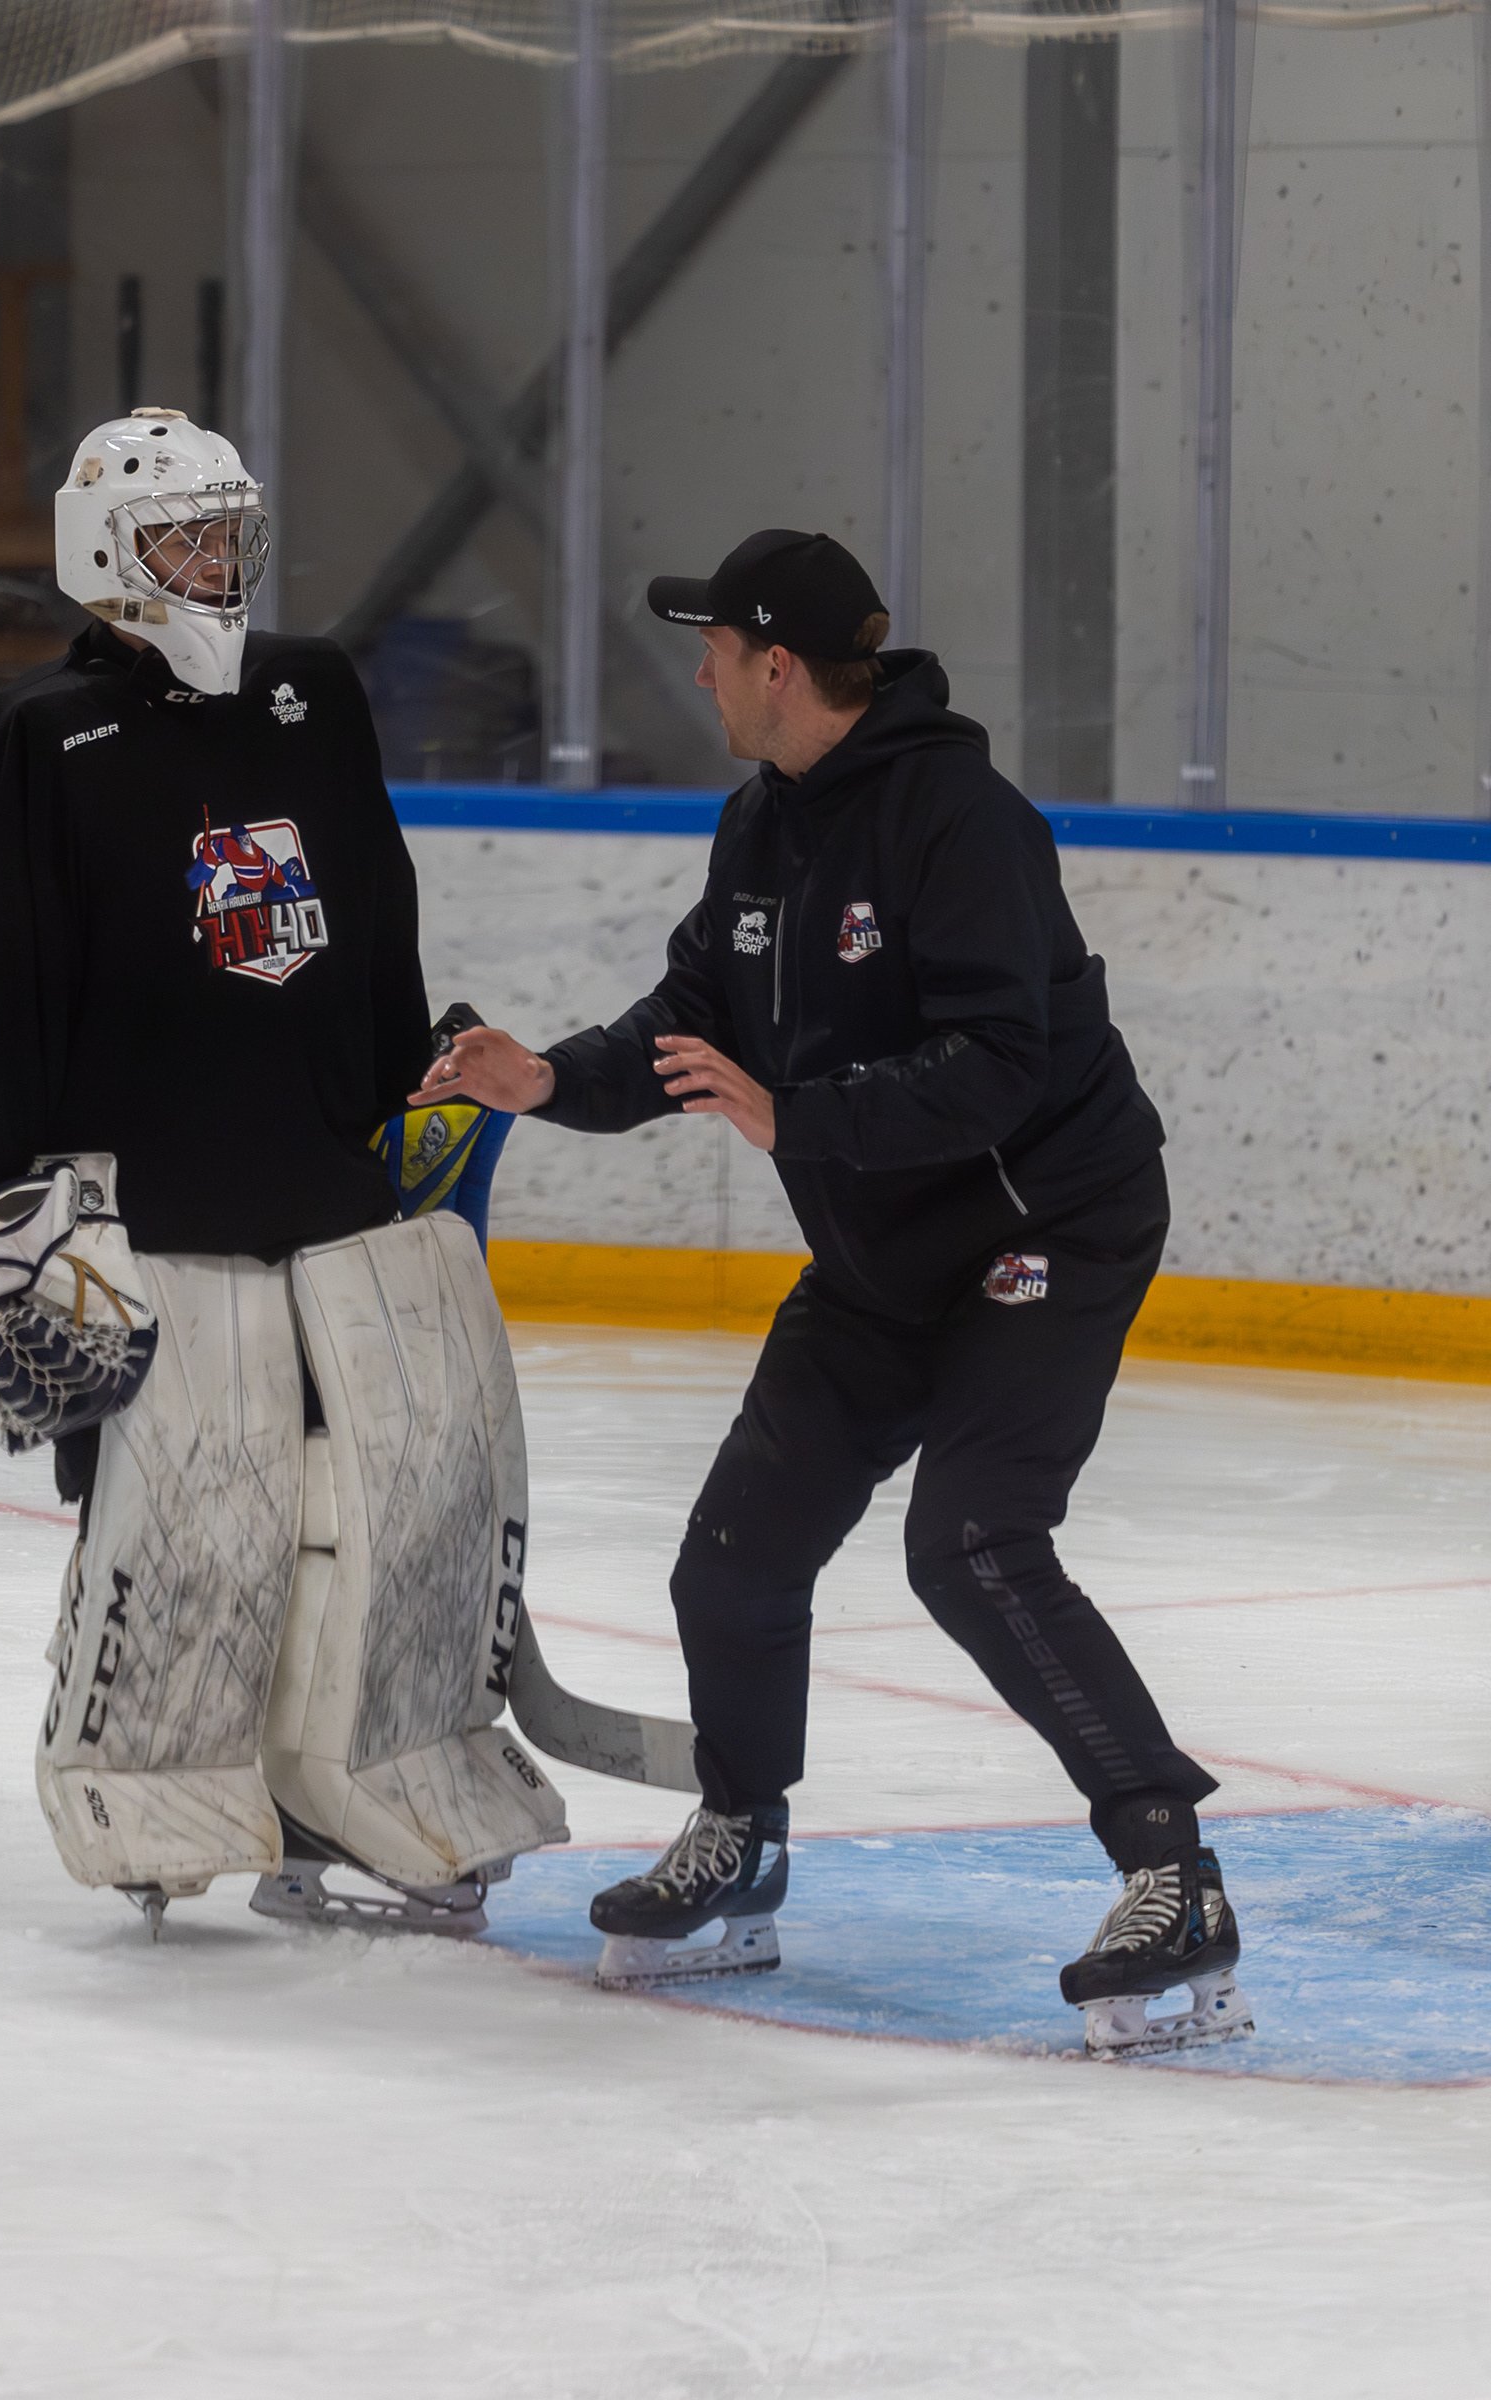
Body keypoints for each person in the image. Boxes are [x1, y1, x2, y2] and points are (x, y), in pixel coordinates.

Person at [411, 527, 1251, 2056]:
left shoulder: (964, 823)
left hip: (1045, 1231)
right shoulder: (764, 824)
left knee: (974, 1544)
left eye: (716, 653)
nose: (702, 678)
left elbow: (1003, 1066)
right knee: (733, 1559)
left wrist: (797, 1116)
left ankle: (1172, 1874)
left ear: (780, 667)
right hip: (882, 1256)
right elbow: (689, 1021)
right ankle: (743, 1838)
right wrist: (547, 1080)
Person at [0, 410, 565, 1937]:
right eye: (186, 539)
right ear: (107, 555)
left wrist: (403, 1081)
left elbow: (371, 903)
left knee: (364, 1512)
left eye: (231, 534)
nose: (220, 566)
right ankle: (160, 1795)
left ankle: (341, 1791)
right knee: (189, 1527)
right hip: (155, 1217)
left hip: (320, 1198)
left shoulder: (313, 692)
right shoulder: (46, 737)